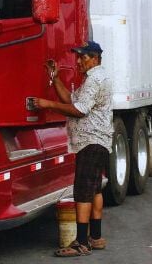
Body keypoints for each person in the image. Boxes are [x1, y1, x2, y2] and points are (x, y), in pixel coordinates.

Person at [34, 41, 113, 257]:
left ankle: (81, 243)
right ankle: (95, 237)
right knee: (95, 189)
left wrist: (47, 104)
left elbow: (79, 110)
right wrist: (55, 77)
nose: (78, 61)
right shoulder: (93, 78)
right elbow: (70, 99)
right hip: (98, 142)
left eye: (83, 57)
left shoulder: (95, 79)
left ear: (95, 58)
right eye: (78, 57)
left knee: (83, 192)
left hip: (91, 141)